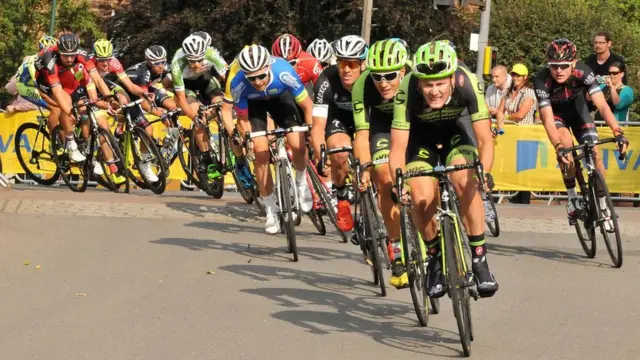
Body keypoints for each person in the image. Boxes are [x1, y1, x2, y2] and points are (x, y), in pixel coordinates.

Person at [389, 40, 499, 297]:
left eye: (440, 83)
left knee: (465, 180)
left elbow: (484, 139)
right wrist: (399, 184)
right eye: (428, 84)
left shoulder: (468, 81)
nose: (434, 91)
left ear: (452, 78)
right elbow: (397, 148)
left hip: (457, 131)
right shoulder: (406, 91)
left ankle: (480, 260)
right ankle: (435, 257)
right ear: (418, 83)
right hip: (420, 138)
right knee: (421, 197)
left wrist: (485, 173)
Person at [533, 38, 628, 230]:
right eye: (554, 66)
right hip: (557, 116)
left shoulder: (584, 72)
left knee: (595, 153)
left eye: (564, 66)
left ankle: (603, 206)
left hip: (579, 113)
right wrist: (558, 146)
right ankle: (572, 198)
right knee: (566, 148)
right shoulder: (541, 80)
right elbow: (548, 119)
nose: (559, 70)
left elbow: (602, 104)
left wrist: (617, 131)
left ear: (573, 63)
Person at [230, 45, 314, 234]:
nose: (258, 81)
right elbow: (243, 121)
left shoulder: (283, 71)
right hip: (255, 107)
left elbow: (307, 106)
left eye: (261, 76)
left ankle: (302, 183)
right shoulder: (238, 84)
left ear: (268, 67)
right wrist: (248, 140)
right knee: (261, 154)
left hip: (282, 100)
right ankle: (270, 209)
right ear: (245, 75)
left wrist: (310, 130)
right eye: (252, 78)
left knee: (297, 143)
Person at [351, 39, 408, 287]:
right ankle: (395, 247)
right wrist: (365, 167)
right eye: (377, 76)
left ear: (403, 71)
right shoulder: (362, 87)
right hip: (382, 127)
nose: (383, 83)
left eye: (390, 76)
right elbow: (362, 135)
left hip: (413, 123)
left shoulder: (416, 81)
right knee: (384, 176)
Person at [34, 33, 126, 183]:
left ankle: (111, 166)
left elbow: (97, 79)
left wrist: (110, 98)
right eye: (66, 56)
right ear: (59, 53)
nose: (70, 59)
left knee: (98, 120)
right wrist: (69, 112)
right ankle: (70, 142)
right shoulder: (50, 58)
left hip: (69, 81)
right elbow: (57, 91)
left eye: (72, 55)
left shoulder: (82, 55)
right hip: (46, 81)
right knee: (65, 105)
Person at [311, 35, 368, 233]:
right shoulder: (326, 80)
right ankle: (342, 197)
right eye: (342, 62)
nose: (346, 69)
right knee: (339, 152)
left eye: (352, 64)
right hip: (339, 120)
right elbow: (317, 126)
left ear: (363, 64)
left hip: (366, 120)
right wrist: (321, 155)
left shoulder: (372, 80)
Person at [170, 34, 229, 186]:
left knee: (221, 105)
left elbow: (228, 79)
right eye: (192, 60)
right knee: (198, 116)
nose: (196, 64)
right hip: (187, 86)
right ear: (186, 57)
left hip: (206, 80)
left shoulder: (211, 54)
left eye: (199, 60)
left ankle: (228, 140)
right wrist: (195, 118)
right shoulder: (177, 63)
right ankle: (206, 156)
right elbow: (182, 100)